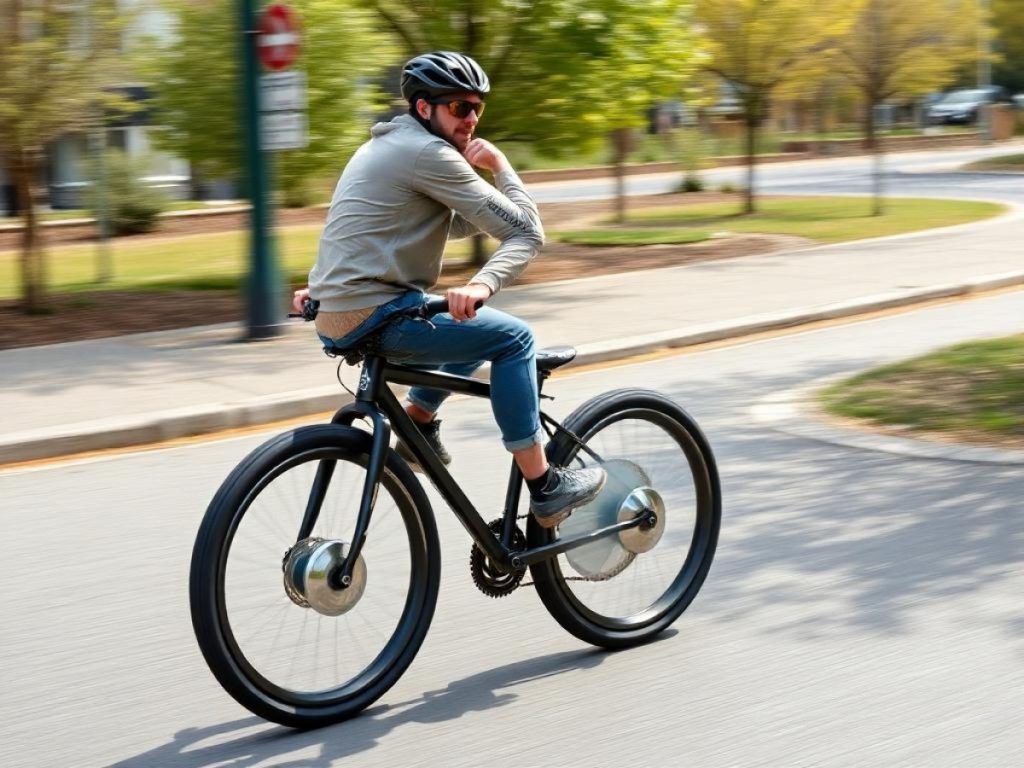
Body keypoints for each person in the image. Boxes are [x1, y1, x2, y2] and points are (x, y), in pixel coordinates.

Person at [292, 51, 605, 528]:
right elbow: (528, 232)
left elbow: (386, 226)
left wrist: (321, 290)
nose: (473, 118)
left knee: (462, 321)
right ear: (424, 108)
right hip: (381, 313)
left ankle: (418, 419)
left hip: (335, 314)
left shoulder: (381, 145)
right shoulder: (430, 154)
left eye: (477, 107)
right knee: (514, 338)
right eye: (460, 107)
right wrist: (500, 171)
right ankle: (545, 487)